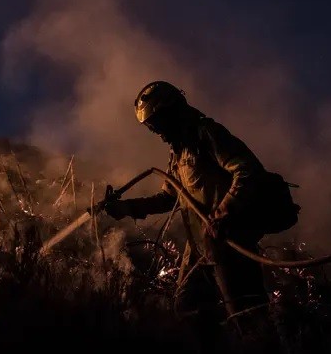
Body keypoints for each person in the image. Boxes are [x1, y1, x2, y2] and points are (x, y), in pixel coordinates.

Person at [104, 80, 280, 336]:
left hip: (229, 244)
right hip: (198, 249)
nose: (157, 132)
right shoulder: (177, 155)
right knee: (186, 308)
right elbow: (167, 198)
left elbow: (246, 170)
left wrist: (222, 215)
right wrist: (125, 208)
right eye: (151, 127)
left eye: (158, 123)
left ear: (173, 110)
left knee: (247, 318)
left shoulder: (207, 135)